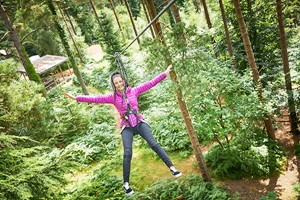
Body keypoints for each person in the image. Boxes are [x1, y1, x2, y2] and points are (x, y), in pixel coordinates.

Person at [64, 65, 182, 196]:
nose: (119, 84)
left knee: (154, 144)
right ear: (114, 85)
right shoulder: (112, 97)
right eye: (116, 83)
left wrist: (164, 73)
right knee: (127, 153)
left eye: (120, 81)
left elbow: (150, 83)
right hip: (127, 127)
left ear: (124, 81)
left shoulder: (134, 91)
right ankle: (126, 184)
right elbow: (95, 98)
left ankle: (172, 167)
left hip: (138, 122)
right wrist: (76, 98)